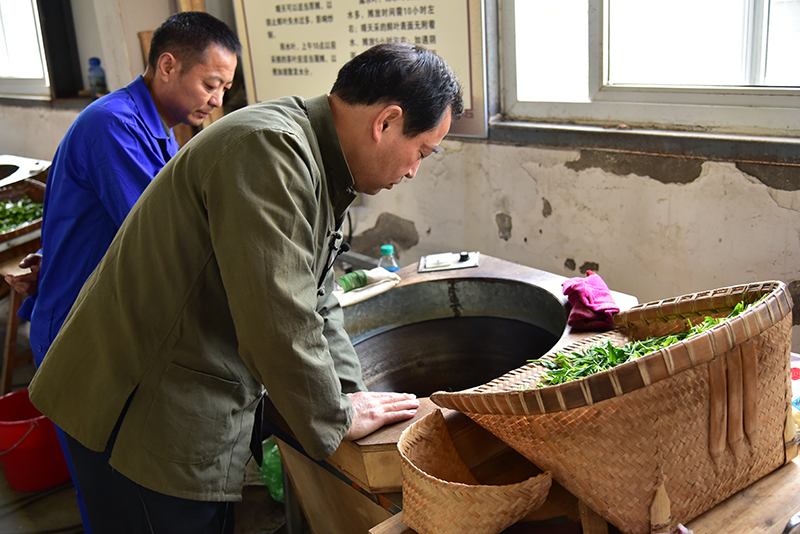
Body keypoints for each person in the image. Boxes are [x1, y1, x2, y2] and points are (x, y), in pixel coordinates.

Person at [28, 42, 463, 533]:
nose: (412, 171)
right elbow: (277, 319)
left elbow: (319, 300)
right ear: (385, 122)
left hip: (175, 401)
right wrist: (335, 416)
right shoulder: (270, 150)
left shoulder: (319, 162)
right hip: (138, 411)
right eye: (421, 152)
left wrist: (349, 395)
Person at [6, 11, 240, 534]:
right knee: (117, 505)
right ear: (167, 65)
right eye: (211, 84)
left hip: (96, 316)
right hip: (80, 336)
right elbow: (165, 237)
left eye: (224, 88)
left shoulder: (158, 131)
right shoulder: (113, 125)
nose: (217, 100)